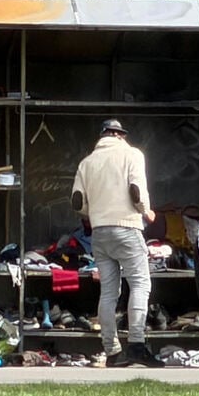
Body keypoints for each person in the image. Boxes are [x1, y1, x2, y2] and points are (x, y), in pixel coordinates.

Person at [71, 119, 164, 367]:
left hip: (99, 233)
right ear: (120, 135)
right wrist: (146, 211)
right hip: (127, 227)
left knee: (109, 292)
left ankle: (112, 351)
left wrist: (97, 214)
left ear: (102, 136)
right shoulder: (132, 154)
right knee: (140, 284)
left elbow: (78, 202)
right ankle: (136, 345)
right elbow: (136, 190)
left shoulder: (87, 162)